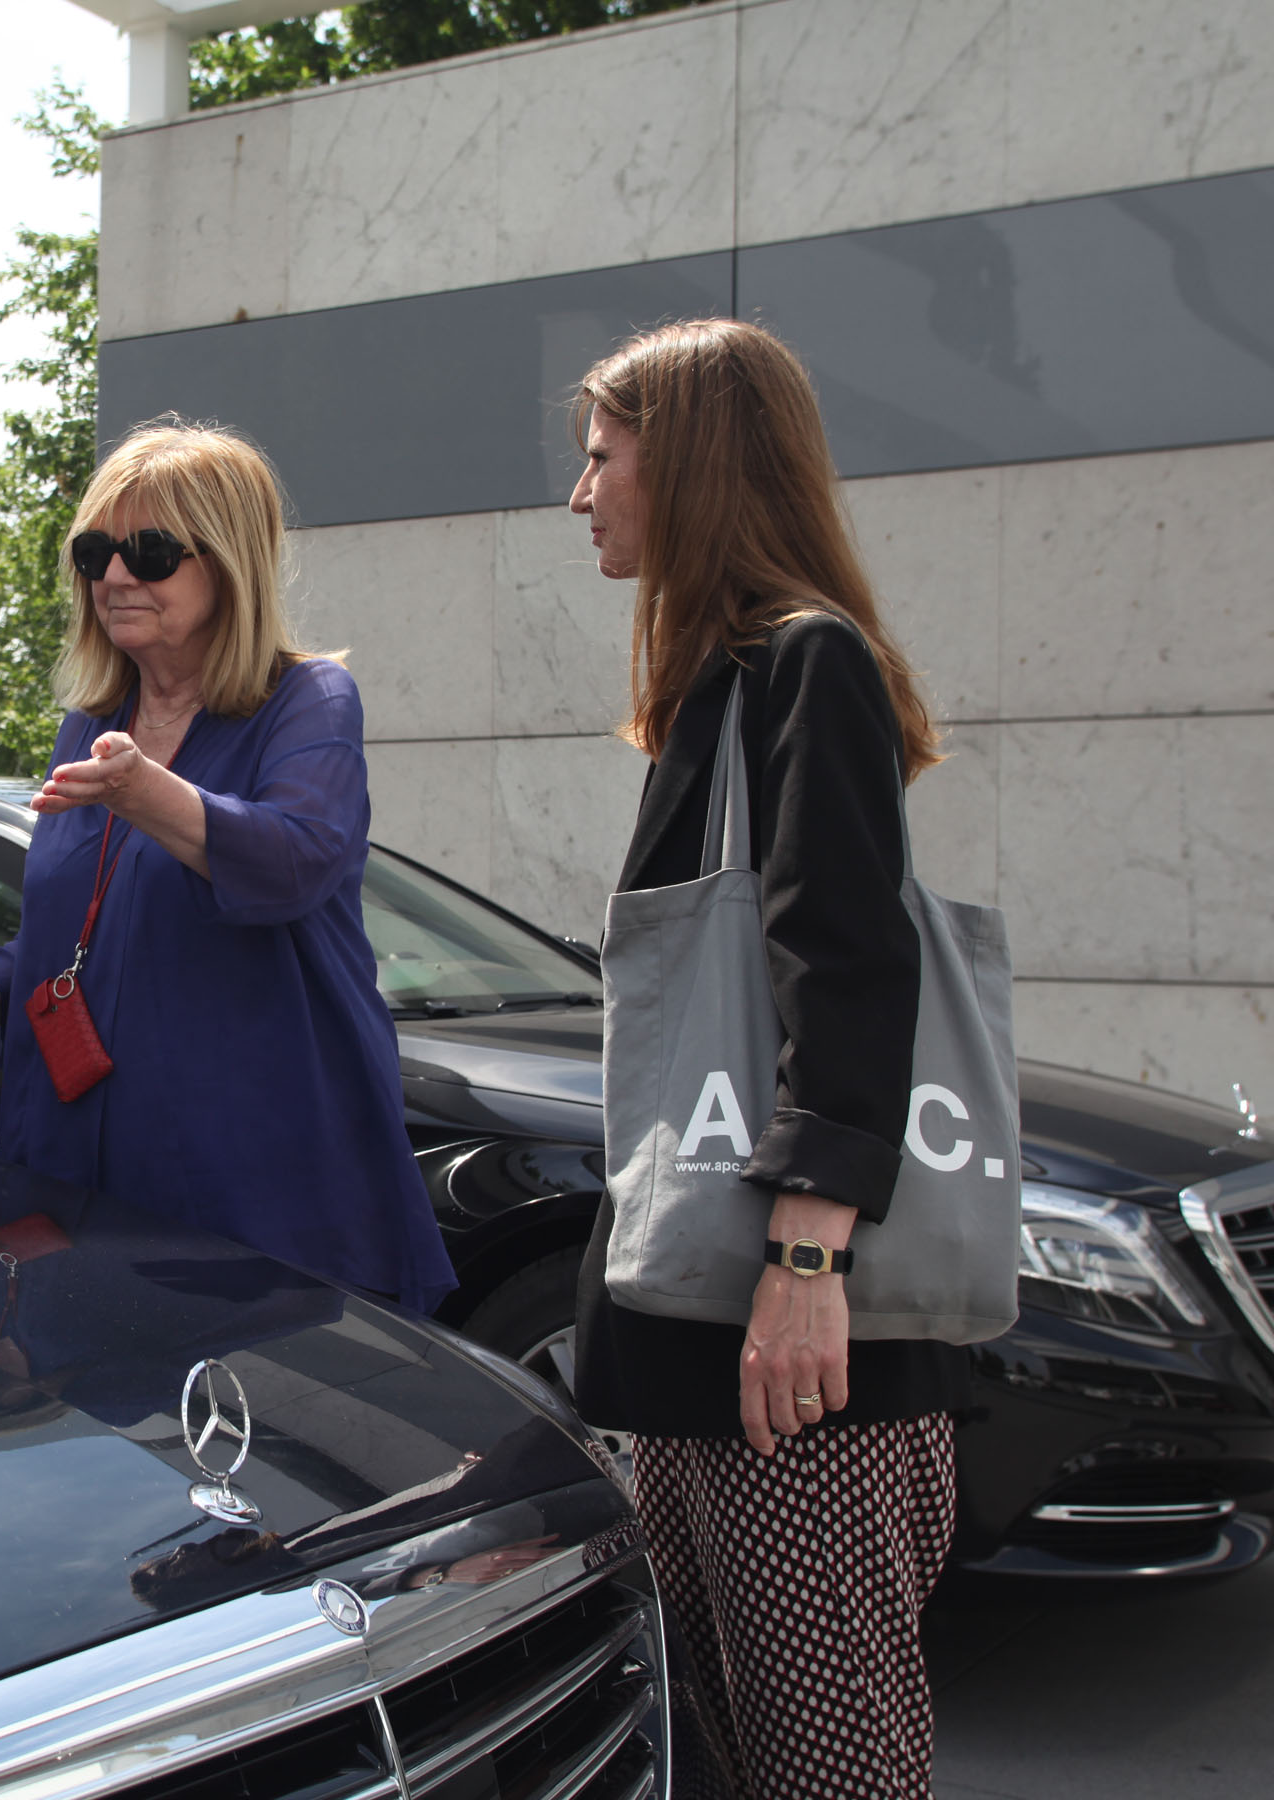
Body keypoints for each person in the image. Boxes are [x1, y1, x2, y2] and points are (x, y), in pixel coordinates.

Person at [565, 319, 965, 1799]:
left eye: (602, 457)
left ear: (691, 464)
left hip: (786, 1358)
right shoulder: (716, 695)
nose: (581, 493)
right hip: (700, 1336)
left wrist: (806, 1265)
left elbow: (848, 971)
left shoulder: (808, 664)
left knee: (828, 1765)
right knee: (724, 1754)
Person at [0, 420, 454, 1312]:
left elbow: (296, 862)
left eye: (152, 552)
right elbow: (79, 932)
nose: (117, 576)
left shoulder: (308, 699)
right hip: (78, 1154)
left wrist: (146, 791)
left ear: (229, 563)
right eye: (96, 553)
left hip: (242, 1168)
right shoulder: (90, 724)